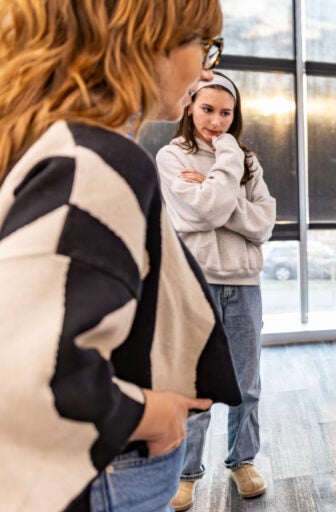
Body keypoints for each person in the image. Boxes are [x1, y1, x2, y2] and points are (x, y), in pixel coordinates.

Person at [0, 1, 243, 511]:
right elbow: (27, 374)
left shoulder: (46, 146)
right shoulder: (96, 163)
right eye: (204, 45)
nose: (205, 70)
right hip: (107, 470)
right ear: (147, 38)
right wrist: (154, 414)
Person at [156, 71, 276, 511]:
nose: (217, 121)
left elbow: (262, 222)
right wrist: (217, 197)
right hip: (196, 283)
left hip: (244, 285)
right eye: (208, 109)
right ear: (190, 106)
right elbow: (201, 212)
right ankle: (186, 473)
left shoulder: (245, 159)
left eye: (226, 113)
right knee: (196, 385)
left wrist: (217, 186)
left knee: (247, 384)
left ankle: (242, 461)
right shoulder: (170, 157)